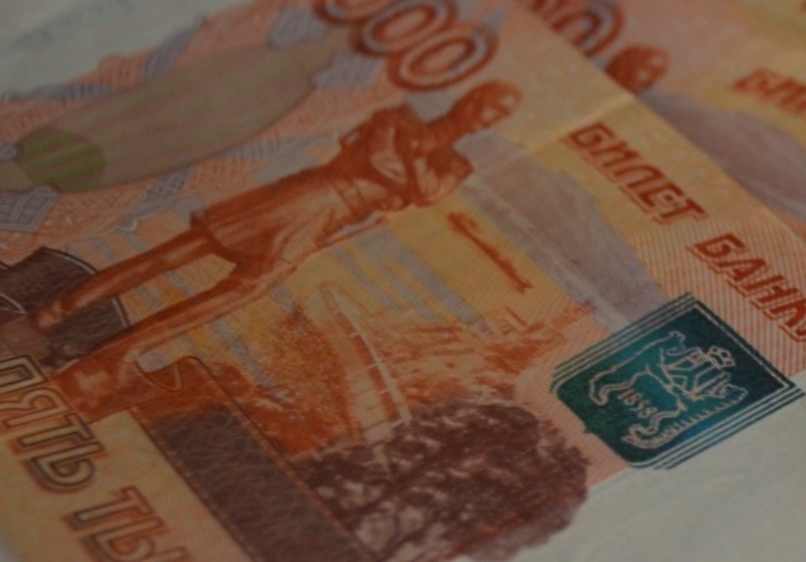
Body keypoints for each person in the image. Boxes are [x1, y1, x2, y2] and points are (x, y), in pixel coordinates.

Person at [35, 81, 521, 387]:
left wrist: (408, 161)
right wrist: (409, 167)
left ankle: (121, 352)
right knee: (175, 254)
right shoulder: (399, 117)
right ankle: (58, 309)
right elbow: (379, 161)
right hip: (304, 194)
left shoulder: (455, 164)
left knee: (241, 291)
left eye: (495, 114)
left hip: (328, 221)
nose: (484, 114)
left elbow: (428, 193)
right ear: (469, 97)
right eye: (485, 103)